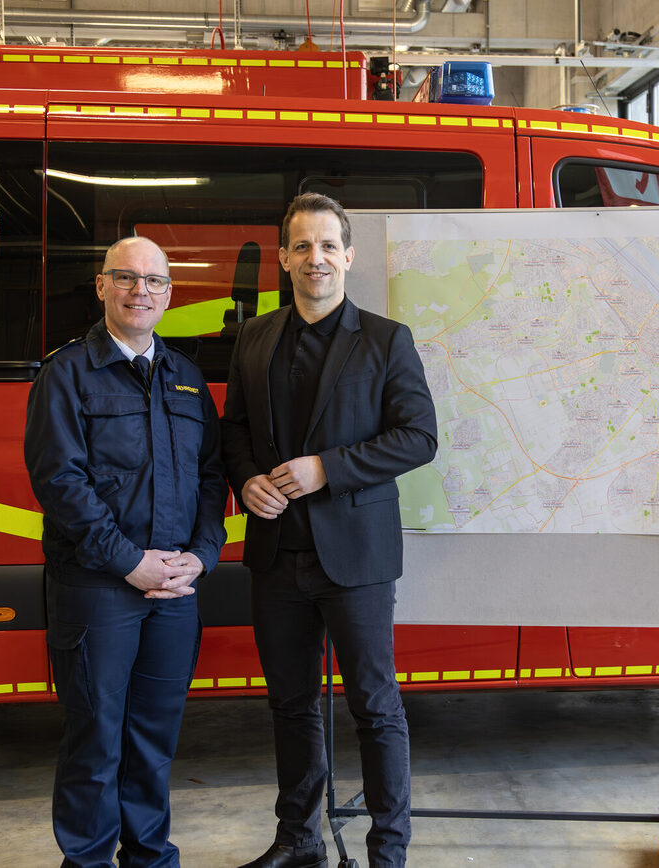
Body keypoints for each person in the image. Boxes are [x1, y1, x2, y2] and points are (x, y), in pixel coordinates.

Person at [221, 193, 437, 868]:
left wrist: (327, 469)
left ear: (348, 256)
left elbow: (420, 436)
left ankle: (388, 854)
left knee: (374, 706)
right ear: (284, 258)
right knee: (290, 704)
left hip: (356, 557)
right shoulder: (254, 337)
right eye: (302, 246)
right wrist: (246, 480)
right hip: (275, 554)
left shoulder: (386, 339)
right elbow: (234, 431)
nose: (315, 257)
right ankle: (298, 840)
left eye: (327, 245)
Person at [24, 236, 228, 868]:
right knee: (95, 740)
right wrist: (130, 562)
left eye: (155, 281)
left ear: (169, 294)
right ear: (102, 286)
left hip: (174, 590)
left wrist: (202, 555)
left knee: (154, 741)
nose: (142, 291)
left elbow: (211, 476)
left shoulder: (186, 378)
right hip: (99, 587)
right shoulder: (66, 373)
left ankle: (150, 857)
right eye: (127, 277)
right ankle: (87, 860)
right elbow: (60, 483)